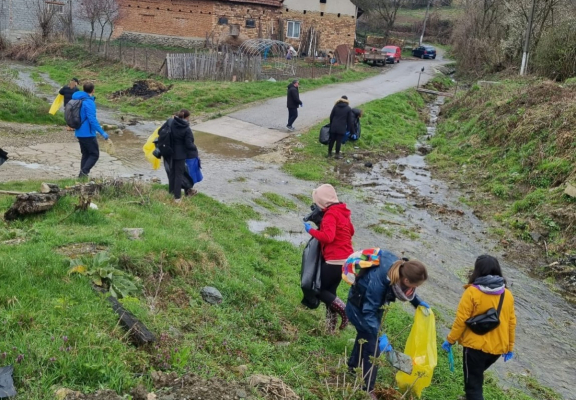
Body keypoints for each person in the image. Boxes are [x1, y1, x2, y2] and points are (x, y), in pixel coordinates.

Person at [345, 250, 430, 398]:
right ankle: (367, 390)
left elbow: (409, 290)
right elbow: (368, 311)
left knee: (364, 336)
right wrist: (379, 334)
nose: (415, 289)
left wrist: (417, 303)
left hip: (371, 305)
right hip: (358, 307)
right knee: (373, 348)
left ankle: (352, 368)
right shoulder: (380, 282)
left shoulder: (401, 269)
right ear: (406, 281)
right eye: (415, 285)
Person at [442, 255, 516, 400]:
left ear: (477, 271)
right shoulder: (507, 294)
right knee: (476, 377)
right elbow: (512, 323)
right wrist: (510, 347)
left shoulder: (472, 292)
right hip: (496, 350)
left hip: (474, 349)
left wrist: (450, 340)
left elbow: (461, 320)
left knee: (473, 387)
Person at [303, 184, 354, 333]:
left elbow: (328, 237)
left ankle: (345, 311)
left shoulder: (331, 214)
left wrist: (311, 230)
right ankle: (329, 329)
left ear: (322, 201)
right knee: (330, 292)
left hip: (334, 260)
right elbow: (351, 231)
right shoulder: (343, 212)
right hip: (346, 260)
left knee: (318, 290)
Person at [159, 109, 197, 203]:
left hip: (170, 152)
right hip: (180, 154)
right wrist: (194, 149)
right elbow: (189, 144)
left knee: (172, 173)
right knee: (179, 175)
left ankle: (171, 193)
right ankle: (177, 198)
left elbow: (161, 132)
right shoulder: (186, 128)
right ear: (186, 118)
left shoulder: (171, 123)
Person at [72, 82, 109, 178]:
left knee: (86, 154)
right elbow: (92, 120)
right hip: (87, 133)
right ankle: (83, 174)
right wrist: (102, 132)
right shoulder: (88, 102)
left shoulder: (78, 98)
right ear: (93, 90)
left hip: (79, 131)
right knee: (94, 154)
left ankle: (82, 176)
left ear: (83, 89)